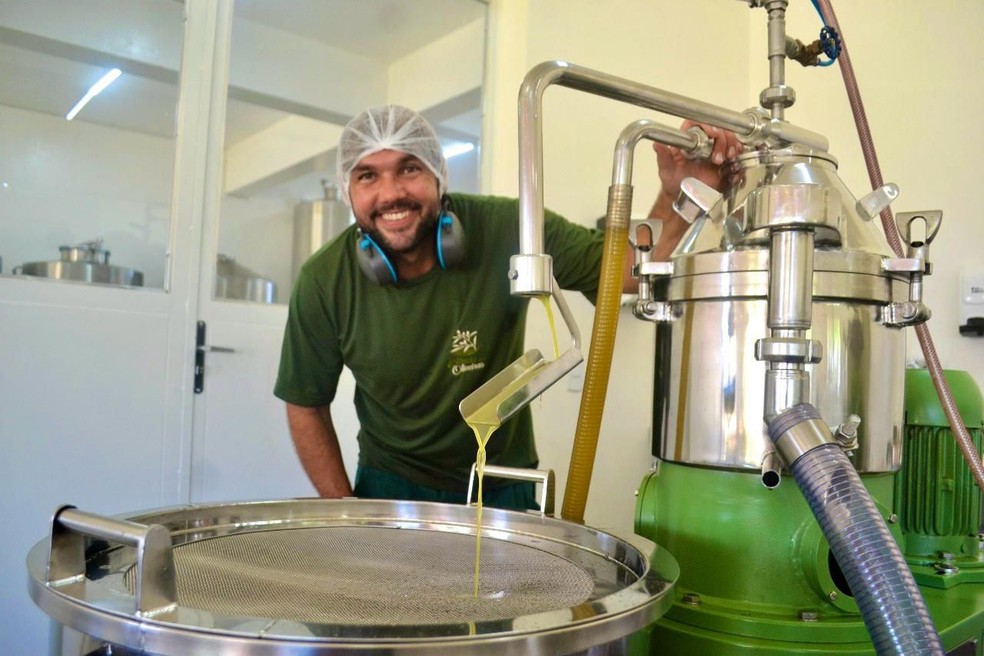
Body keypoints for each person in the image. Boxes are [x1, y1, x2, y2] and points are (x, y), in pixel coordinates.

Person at [274, 105, 740, 510]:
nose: (391, 192)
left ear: (439, 174)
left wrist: (681, 194)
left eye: (409, 168)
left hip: (502, 484)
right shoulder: (324, 280)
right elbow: (305, 403)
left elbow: (625, 271)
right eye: (368, 175)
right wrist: (348, 513)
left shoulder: (510, 227)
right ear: (347, 190)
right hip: (391, 486)